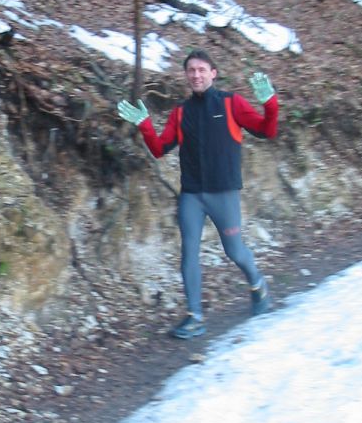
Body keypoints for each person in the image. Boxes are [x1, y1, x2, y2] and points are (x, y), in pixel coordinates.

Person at [117, 48, 278, 340]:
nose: (196, 75)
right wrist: (145, 126)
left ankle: (258, 284)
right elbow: (159, 149)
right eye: (191, 70)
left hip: (223, 193)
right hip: (192, 194)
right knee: (188, 252)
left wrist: (271, 105)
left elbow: (266, 131)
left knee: (234, 251)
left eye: (202, 69)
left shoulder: (232, 103)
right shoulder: (181, 112)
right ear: (186, 75)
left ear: (213, 73)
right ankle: (195, 317)